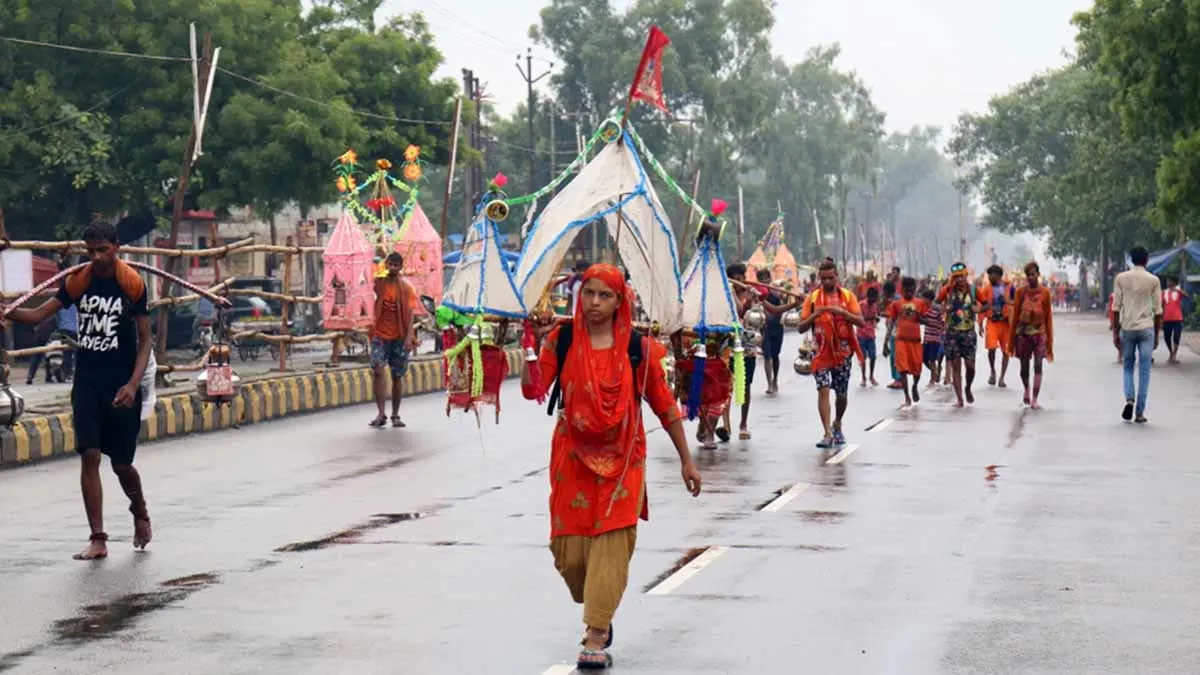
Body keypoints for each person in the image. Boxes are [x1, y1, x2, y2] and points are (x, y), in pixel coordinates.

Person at [521, 263, 702, 670]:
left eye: (605, 295)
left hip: (624, 459)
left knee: (611, 543)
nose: (595, 302)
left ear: (620, 302)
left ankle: (597, 631)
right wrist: (530, 348)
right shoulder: (562, 339)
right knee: (570, 555)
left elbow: (665, 407)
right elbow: (534, 389)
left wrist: (686, 460)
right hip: (572, 457)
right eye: (589, 293)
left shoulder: (638, 349)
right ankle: (597, 603)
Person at [2, 222, 153, 560]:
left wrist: (132, 385)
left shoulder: (132, 283)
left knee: (122, 465)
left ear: (116, 248)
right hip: (87, 381)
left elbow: (145, 341)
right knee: (90, 454)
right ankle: (98, 538)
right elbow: (39, 314)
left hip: (122, 383)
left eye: (103, 250)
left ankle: (139, 509)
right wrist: (8, 312)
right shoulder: (80, 280)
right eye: (91, 251)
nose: (96, 257)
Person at [798, 260, 864, 448]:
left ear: (837, 277)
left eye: (830, 278)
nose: (827, 282)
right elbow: (801, 327)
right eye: (824, 278)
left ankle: (837, 422)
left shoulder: (847, 297)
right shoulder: (812, 298)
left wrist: (842, 313)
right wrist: (815, 315)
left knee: (841, 394)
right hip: (820, 352)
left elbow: (861, 322)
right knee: (823, 389)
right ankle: (827, 433)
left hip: (843, 353)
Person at [1112, 246, 1163, 423]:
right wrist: (1156, 335)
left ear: (1131, 260)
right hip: (1146, 328)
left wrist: (1115, 333)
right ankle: (1139, 413)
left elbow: (1115, 308)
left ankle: (1129, 399)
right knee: (1144, 370)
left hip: (1127, 328)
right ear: (1146, 260)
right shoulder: (1153, 280)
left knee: (1127, 367)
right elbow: (1158, 311)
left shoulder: (1121, 278)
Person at [368, 252, 419, 428]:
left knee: (397, 375)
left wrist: (409, 337)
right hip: (379, 334)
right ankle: (381, 413)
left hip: (399, 336)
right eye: (390, 264)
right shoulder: (378, 283)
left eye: (396, 265)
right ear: (386, 264)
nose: (393, 268)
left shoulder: (407, 288)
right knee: (377, 369)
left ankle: (395, 415)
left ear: (400, 267)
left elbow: (411, 314)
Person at [1007, 261, 1054, 409]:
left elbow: (1048, 316)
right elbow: (1015, 316)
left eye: (1033, 274)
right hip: (1023, 334)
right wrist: (1011, 340)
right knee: (1024, 367)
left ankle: (1035, 398)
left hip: (1040, 333)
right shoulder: (1020, 292)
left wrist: (1049, 342)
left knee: (1038, 364)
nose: (1030, 277)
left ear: (1038, 274)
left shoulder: (1045, 293)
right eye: (1028, 275)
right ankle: (1026, 388)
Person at [937, 262, 984, 407]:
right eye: (956, 277)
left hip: (969, 333)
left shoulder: (974, 290)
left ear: (966, 276)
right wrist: (944, 308)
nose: (960, 280)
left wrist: (979, 309)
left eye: (962, 276)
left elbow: (987, 304)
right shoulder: (947, 290)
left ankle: (968, 388)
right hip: (952, 333)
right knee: (956, 366)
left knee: (970, 366)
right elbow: (935, 303)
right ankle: (959, 399)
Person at [883, 277, 928, 407]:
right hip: (901, 341)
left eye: (911, 291)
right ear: (902, 290)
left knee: (917, 370)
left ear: (915, 290)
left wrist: (920, 319)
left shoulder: (920, 303)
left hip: (915, 341)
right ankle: (907, 396)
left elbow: (925, 320)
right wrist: (886, 341)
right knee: (902, 369)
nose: (909, 293)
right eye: (906, 291)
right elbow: (891, 323)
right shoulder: (896, 304)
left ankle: (914, 386)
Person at [754, 268, 798, 395]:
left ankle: (775, 380)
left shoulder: (776, 291)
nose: (764, 281)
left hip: (777, 327)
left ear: (770, 278)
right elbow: (763, 308)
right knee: (767, 356)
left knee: (775, 356)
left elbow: (784, 300)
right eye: (761, 279)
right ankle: (769, 383)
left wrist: (788, 290)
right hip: (765, 328)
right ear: (758, 280)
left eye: (766, 278)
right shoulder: (757, 294)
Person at [980, 265, 1014, 387]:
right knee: (991, 348)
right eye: (988, 275)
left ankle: (1002, 377)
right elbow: (982, 305)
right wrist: (980, 323)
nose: (989, 277)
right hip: (992, 322)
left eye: (991, 275)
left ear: (998, 275)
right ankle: (993, 371)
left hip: (1005, 323)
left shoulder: (1010, 288)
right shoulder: (986, 290)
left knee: (1006, 351)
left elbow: (1017, 302)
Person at [920, 288, 945, 389]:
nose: (922, 300)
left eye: (924, 298)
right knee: (924, 358)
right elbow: (922, 320)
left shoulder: (936, 309)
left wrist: (939, 328)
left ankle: (932, 380)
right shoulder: (925, 308)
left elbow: (942, 322)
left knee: (932, 360)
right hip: (926, 338)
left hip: (935, 339)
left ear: (929, 299)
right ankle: (936, 372)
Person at [857, 286, 881, 387]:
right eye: (873, 298)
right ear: (868, 297)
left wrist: (875, 320)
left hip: (871, 334)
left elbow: (875, 317)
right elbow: (858, 318)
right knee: (862, 357)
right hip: (861, 333)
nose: (874, 300)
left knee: (873, 356)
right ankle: (863, 377)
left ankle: (871, 376)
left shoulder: (875, 305)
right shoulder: (861, 305)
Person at [1161, 275, 1188, 364]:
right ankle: (1171, 352)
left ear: (1174, 283)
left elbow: (1186, 295)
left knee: (1176, 336)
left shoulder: (1178, 292)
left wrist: (1177, 289)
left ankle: (1174, 355)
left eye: (1170, 281)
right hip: (1166, 318)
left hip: (1177, 318)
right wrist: (1160, 318)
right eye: (1167, 281)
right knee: (1167, 337)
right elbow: (1161, 305)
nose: (1168, 283)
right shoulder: (1164, 292)